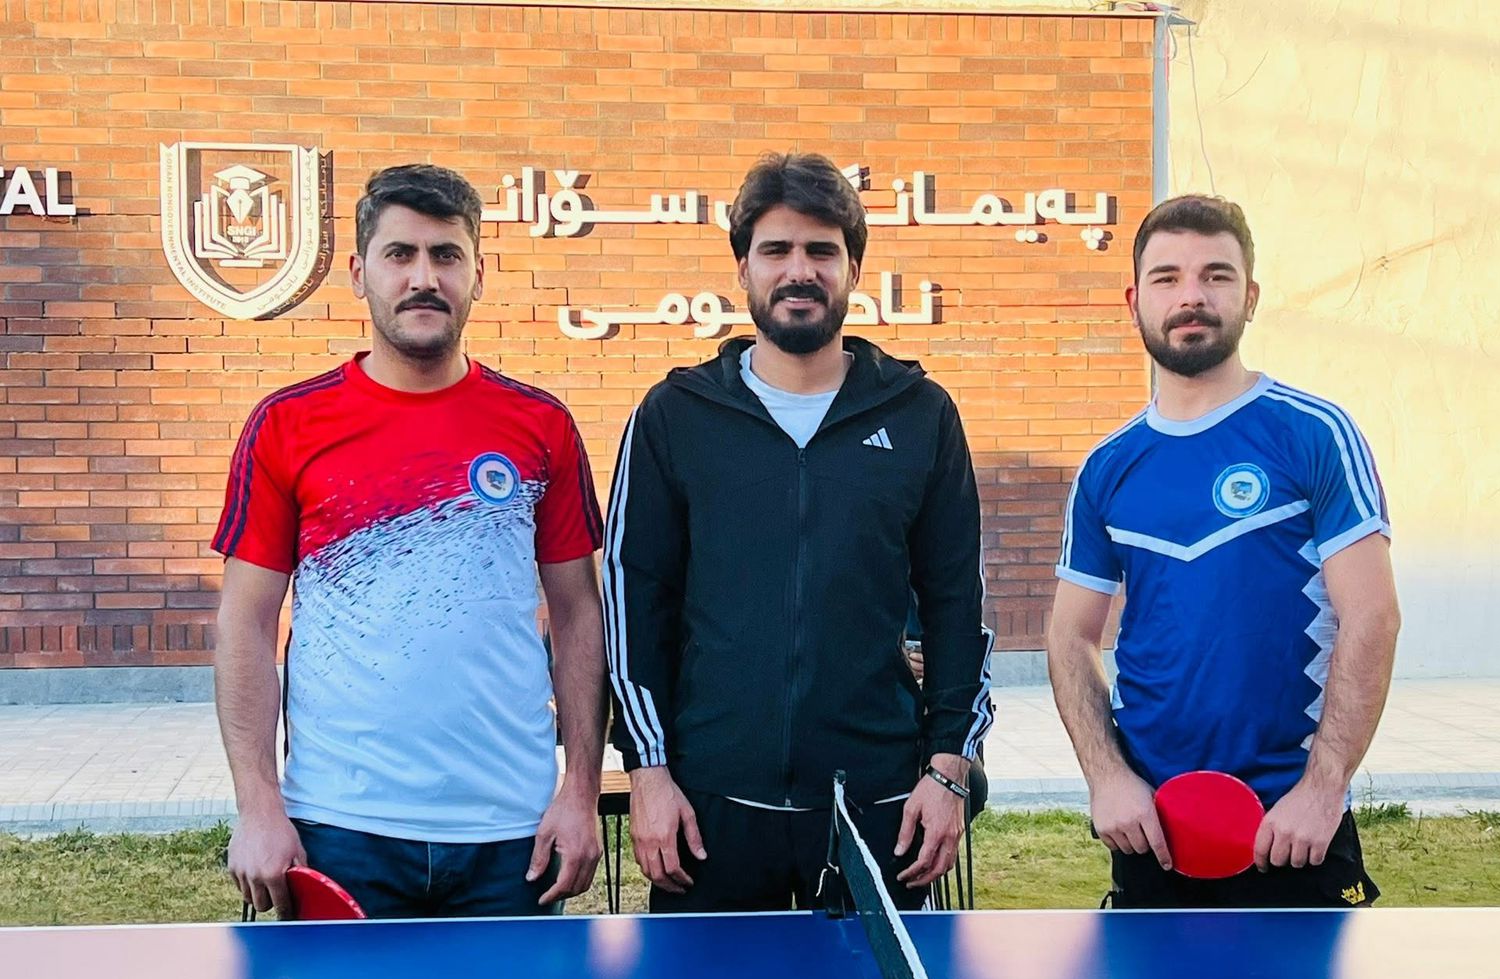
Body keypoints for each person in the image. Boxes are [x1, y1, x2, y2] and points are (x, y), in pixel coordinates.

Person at [602, 151, 994, 912]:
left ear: (852, 269)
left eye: (822, 252)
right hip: (708, 809)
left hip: (875, 808)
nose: (799, 271)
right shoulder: (675, 416)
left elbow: (957, 605)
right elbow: (632, 601)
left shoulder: (919, 415)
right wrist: (647, 770)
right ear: (743, 268)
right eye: (776, 250)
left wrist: (949, 768)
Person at [214, 164, 607, 919]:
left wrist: (580, 790)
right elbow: (246, 622)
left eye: (445, 256)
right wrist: (260, 804)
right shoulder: (288, 425)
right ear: (360, 273)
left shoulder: (541, 426)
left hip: (511, 833)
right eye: (400, 255)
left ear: (477, 275)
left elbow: (580, 615)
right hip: (341, 828)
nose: (423, 277)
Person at [1048, 194, 1399, 908]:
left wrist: (1323, 788)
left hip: (1291, 828)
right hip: (1152, 835)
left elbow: (1373, 618)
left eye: (1217, 275)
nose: (1192, 296)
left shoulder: (1313, 433)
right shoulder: (1108, 466)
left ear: (1251, 296)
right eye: (1167, 277)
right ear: (1134, 299)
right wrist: (1108, 778)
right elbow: (1069, 634)